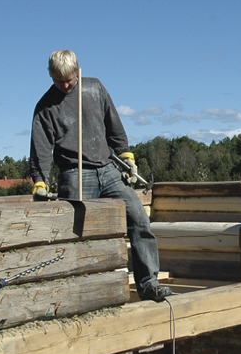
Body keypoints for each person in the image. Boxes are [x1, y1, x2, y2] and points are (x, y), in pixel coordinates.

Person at [29, 50, 171, 302]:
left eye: (69, 80)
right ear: (50, 75)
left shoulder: (94, 89)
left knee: (139, 220)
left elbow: (114, 125)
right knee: (77, 234)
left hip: (108, 169)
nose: (65, 86)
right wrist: (40, 181)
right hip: (75, 174)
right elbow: (40, 149)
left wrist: (126, 157)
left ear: (77, 71)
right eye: (59, 81)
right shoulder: (45, 106)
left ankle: (149, 284)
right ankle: (77, 294)